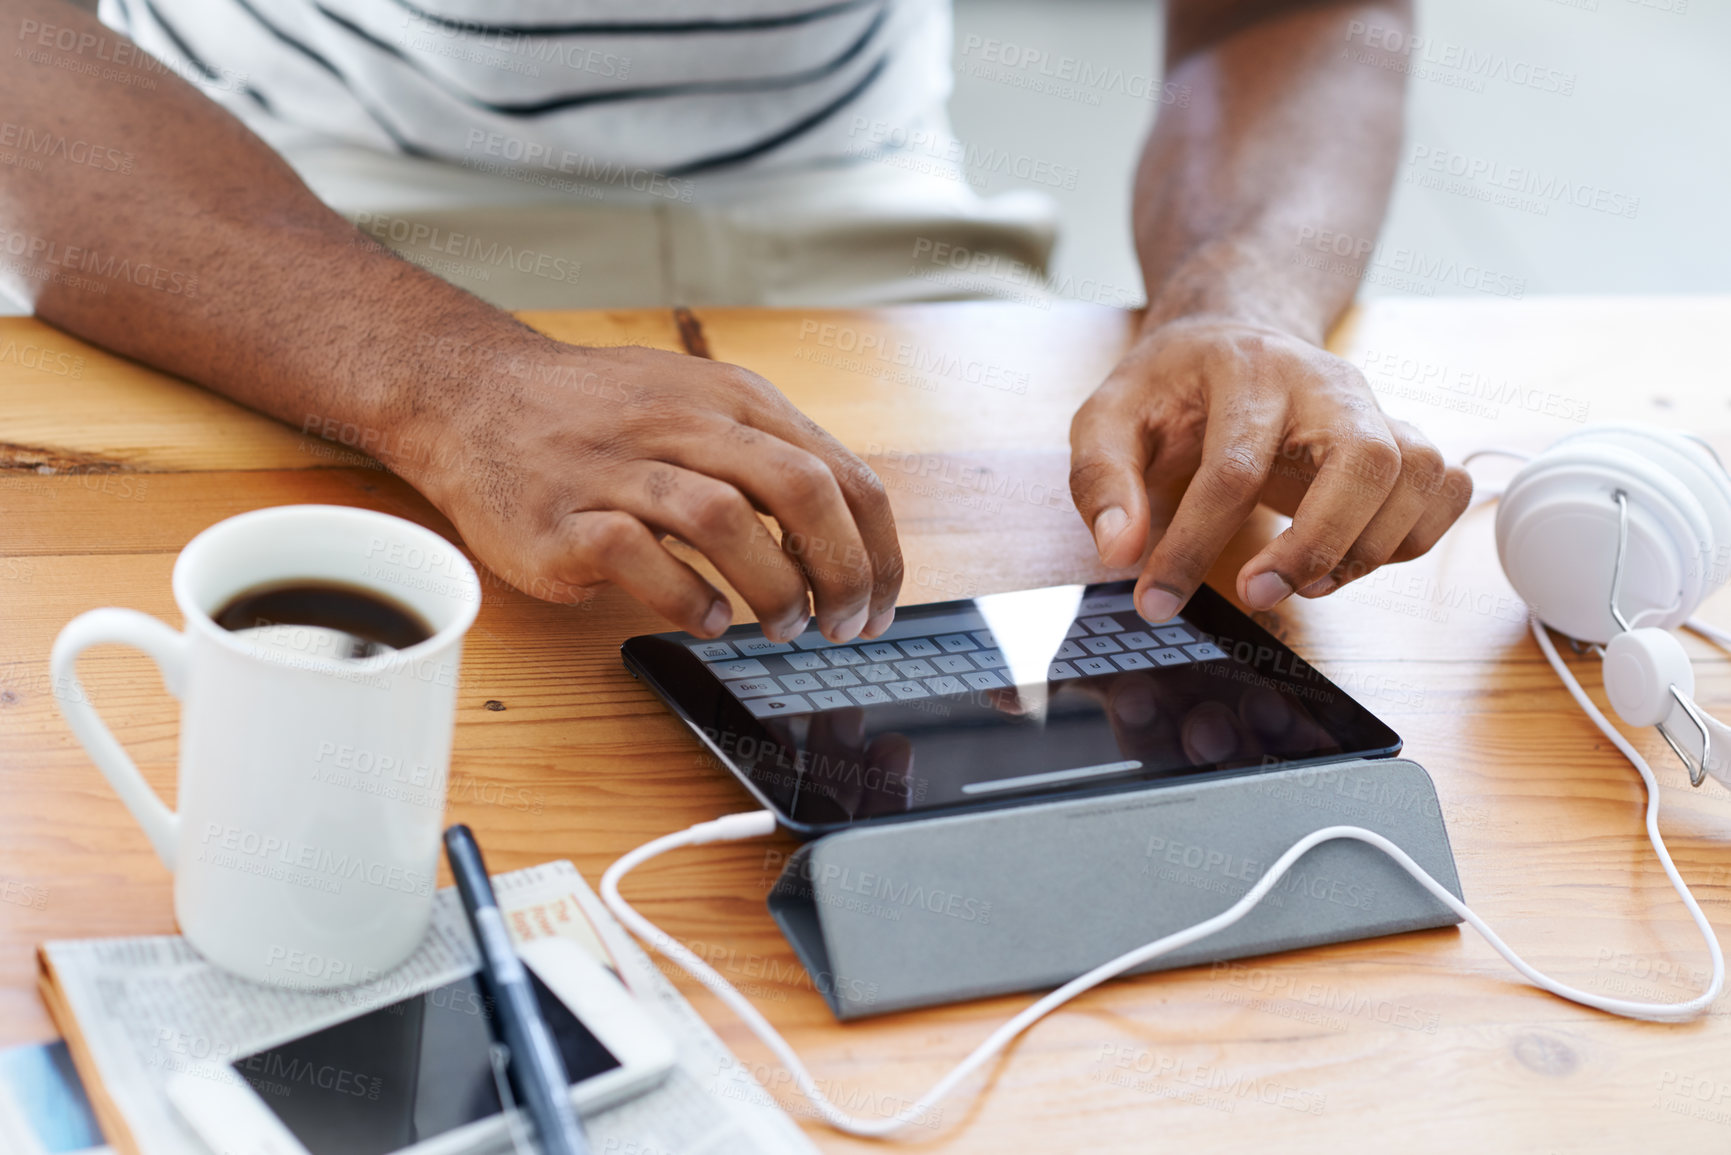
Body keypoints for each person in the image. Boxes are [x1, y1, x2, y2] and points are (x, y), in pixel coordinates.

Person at [0, 0, 1469, 645]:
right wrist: (445, 384)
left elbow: (1293, 6)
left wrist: (1242, 300)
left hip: (845, 185)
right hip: (263, 180)